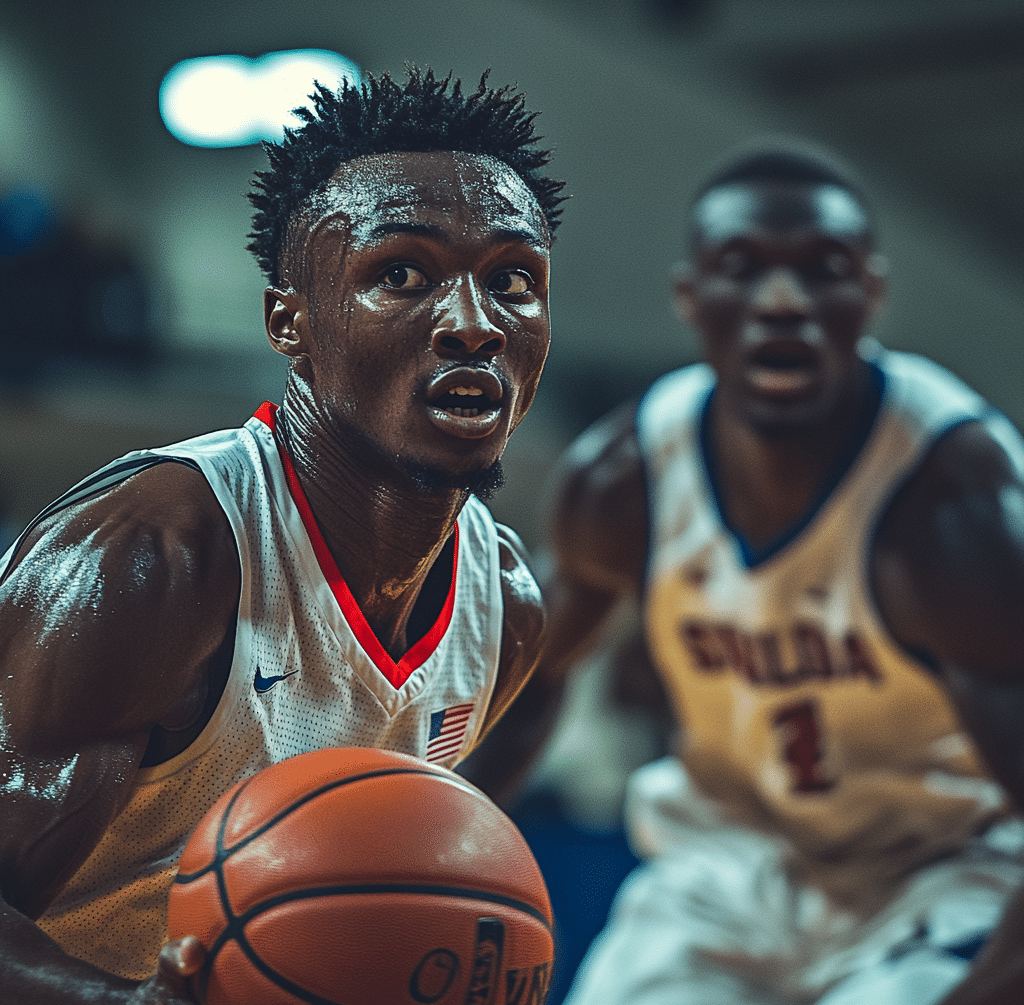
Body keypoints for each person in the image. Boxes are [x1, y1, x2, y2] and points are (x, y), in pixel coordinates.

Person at [0, 66, 565, 1004]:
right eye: (402, 274)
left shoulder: (504, 607)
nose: (475, 323)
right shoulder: (151, 561)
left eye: (514, 280)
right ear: (287, 321)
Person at [465, 140, 1024, 1004]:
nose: (783, 302)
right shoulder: (624, 479)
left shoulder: (954, 506)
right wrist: (436, 833)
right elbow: (535, 680)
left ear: (869, 294)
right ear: (691, 298)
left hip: (935, 873)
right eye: (742, 268)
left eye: (823, 270)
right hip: (726, 866)